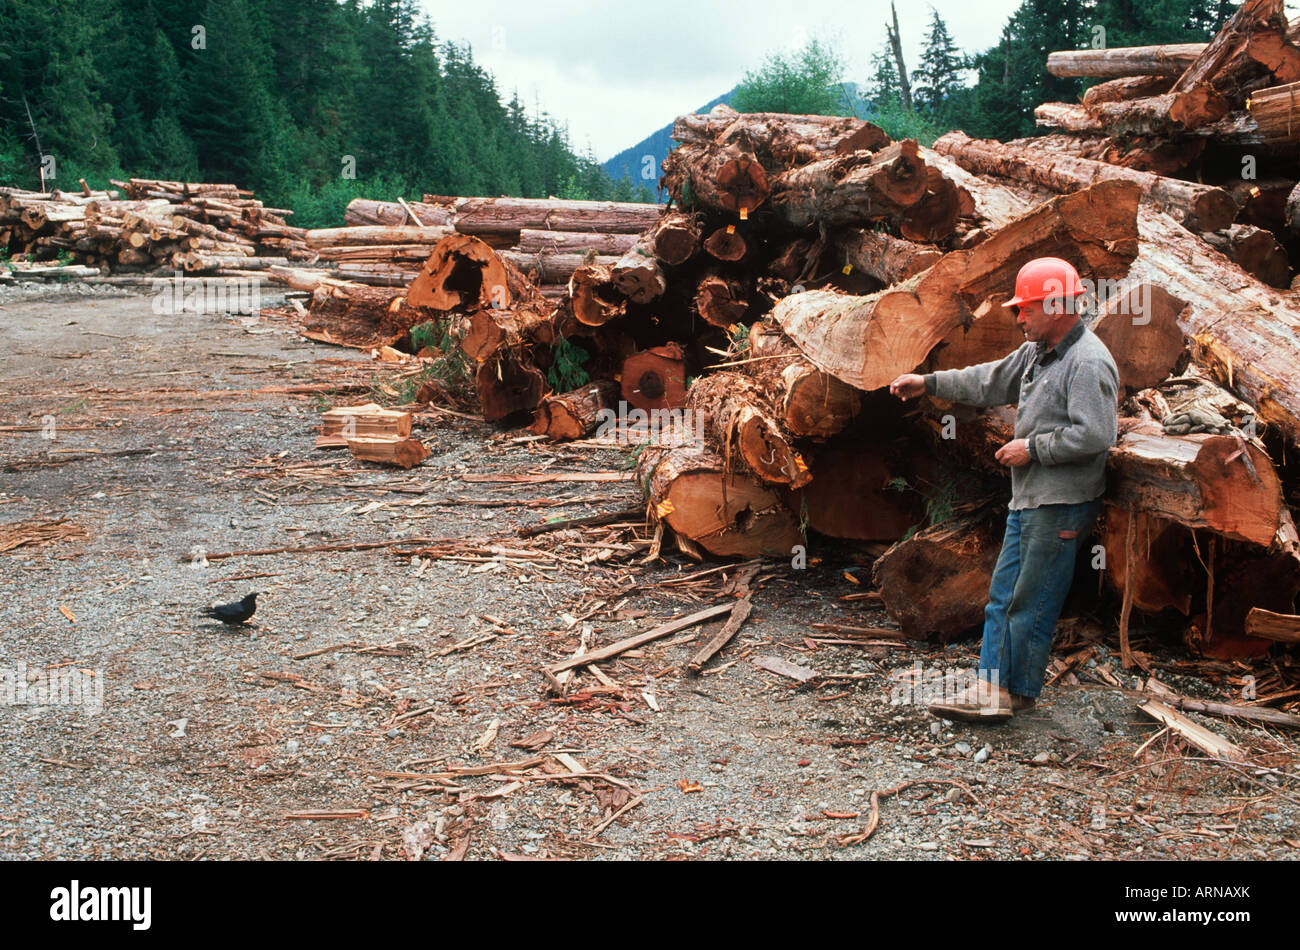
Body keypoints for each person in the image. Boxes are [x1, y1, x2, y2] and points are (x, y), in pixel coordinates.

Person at [888, 257, 1119, 723]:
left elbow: (1096, 435)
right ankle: (994, 688)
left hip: (1061, 503)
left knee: (1028, 599)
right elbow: (989, 379)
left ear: (1056, 305)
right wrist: (929, 383)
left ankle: (1007, 693)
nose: (1018, 318)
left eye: (1025, 309)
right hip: (1032, 498)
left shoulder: (1087, 361)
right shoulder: (1038, 352)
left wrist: (1032, 448)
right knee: (1005, 594)